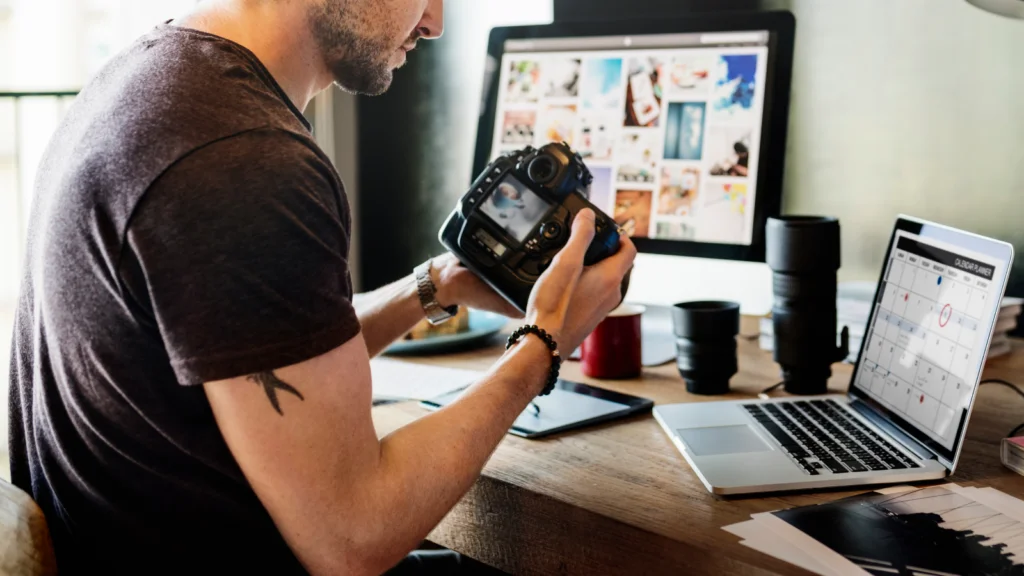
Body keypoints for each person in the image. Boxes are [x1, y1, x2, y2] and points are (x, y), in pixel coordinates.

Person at [7, 0, 636, 574]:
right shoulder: (245, 160)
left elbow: (263, 359)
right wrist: (543, 342)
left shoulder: (151, 81)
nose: (435, 23)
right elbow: (355, 537)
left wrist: (436, 284)